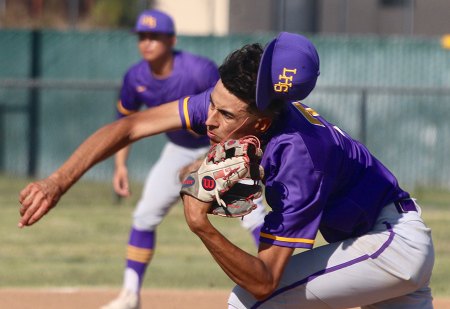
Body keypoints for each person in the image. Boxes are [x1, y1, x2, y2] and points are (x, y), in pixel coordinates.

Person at [18, 32, 434, 309]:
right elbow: (132, 125)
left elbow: (264, 281)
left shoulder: (299, 157)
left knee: (248, 303)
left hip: (389, 243)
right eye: (212, 104)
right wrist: (58, 182)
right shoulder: (239, 106)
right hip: (377, 240)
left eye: (225, 113)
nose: (209, 120)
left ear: (262, 121)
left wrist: (199, 223)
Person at [103, 9, 266, 309]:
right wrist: (120, 165)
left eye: (155, 36)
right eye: (142, 36)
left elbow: (231, 110)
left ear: (171, 39)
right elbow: (124, 123)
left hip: (221, 147)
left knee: (252, 213)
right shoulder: (135, 77)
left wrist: (217, 157)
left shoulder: (197, 70)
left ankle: (276, 278)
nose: (147, 42)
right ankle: (129, 294)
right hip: (178, 150)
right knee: (144, 215)